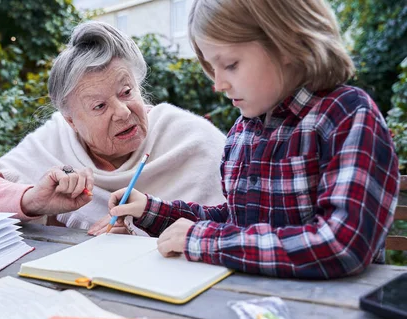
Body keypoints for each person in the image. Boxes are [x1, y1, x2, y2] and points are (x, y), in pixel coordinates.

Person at [108, 0, 400, 278]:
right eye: (212, 67)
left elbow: (342, 244)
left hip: (329, 314)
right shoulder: (242, 132)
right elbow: (238, 223)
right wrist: (153, 210)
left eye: (231, 64)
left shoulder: (346, 115)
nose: (218, 84)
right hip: (247, 304)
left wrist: (203, 240)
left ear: (286, 42)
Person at [0, 21, 226, 235]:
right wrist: (34, 200)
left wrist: (140, 232)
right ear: (71, 121)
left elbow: (235, 223)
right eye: (99, 106)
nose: (123, 112)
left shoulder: (191, 137)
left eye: (126, 91)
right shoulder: (56, 138)